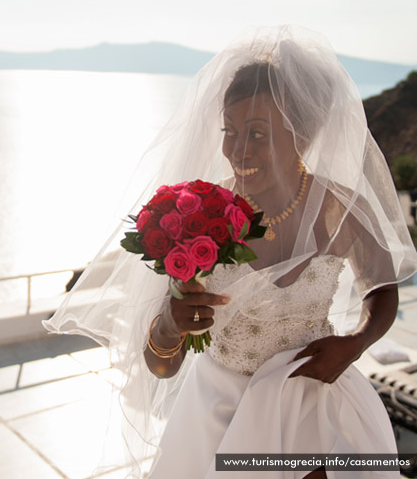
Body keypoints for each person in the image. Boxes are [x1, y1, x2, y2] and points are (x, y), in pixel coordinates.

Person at [43, 25, 417, 479]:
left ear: (301, 135)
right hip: (218, 416)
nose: (238, 150)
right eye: (230, 130)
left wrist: (356, 343)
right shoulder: (197, 217)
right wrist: (167, 325)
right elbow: (161, 366)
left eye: (257, 133)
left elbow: (381, 287)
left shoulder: (339, 208)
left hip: (312, 402)